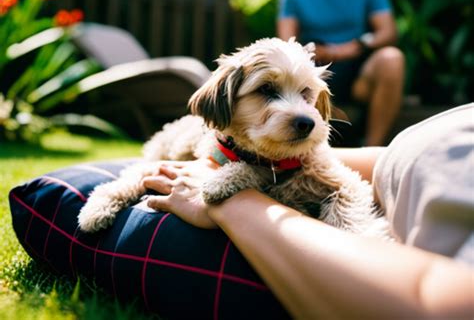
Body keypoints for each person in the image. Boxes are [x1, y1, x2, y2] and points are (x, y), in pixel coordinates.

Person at [143, 104, 474, 319]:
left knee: (92, 193)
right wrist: (271, 158)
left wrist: (232, 199)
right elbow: (394, 162)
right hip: (252, 181)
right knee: (142, 173)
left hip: (295, 249)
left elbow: (431, 306)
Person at [277, 0, 405, 146]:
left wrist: (351, 47)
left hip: (359, 72)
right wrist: (309, 51)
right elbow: (287, 41)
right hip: (313, 72)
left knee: (392, 58)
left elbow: (388, 32)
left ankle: (372, 150)